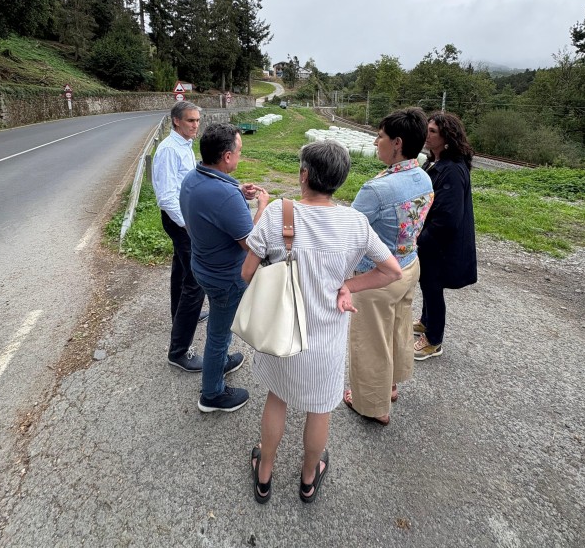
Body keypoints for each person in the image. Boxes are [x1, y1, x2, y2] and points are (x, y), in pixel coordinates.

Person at [242, 141, 402, 504]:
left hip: (281, 333)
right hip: (326, 339)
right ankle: (308, 478)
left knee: (277, 398)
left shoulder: (277, 213)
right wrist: (348, 286)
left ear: (304, 175)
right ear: (340, 180)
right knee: (319, 409)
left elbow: (246, 273)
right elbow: (391, 271)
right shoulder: (355, 223)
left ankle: (264, 474)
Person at [344, 108, 434, 425]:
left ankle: (373, 406)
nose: (375, 141)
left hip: (377, 277)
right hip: (409, 265)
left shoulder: (377, 189)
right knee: (397, 329)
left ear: (397, 143)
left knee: (370, 341)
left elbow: (348, 231)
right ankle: (391, 385)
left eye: (380, 136)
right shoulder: (424, 177)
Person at [180, 123, 269, 413]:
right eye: (239, 151)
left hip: (202, 265)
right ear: (227, 157)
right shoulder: (225, 195)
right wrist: (262, 207)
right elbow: (251, 244)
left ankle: (219, 362)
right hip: (225, 277)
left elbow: (211, 205)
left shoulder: (193, 178)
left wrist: (239, 191)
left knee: (220, 326)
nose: (240, 155)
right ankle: (212, 394)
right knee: (219, 334)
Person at [414, 112, 477, 360]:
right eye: (427, 130)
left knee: (432, 287)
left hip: (440, 244)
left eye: (432, 131)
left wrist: (422, 240)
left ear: (447, 137)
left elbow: (448, 217)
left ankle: (433, 340)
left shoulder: (451, 169)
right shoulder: (436, 162)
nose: (427, 135)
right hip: (432, 241)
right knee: (426, 282)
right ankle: (425, 322)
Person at [152, 101, 208, 373]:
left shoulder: (184, 145)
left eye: (197, 120)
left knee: (182, 269)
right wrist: (188, 226)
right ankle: (179, 351)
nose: (195, 125)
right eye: (190, 121)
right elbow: (166, 197)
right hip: (180, 220)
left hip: (184, 218)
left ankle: (181, 315)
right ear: (176, 121)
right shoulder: (168, 150)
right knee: (196, 281)